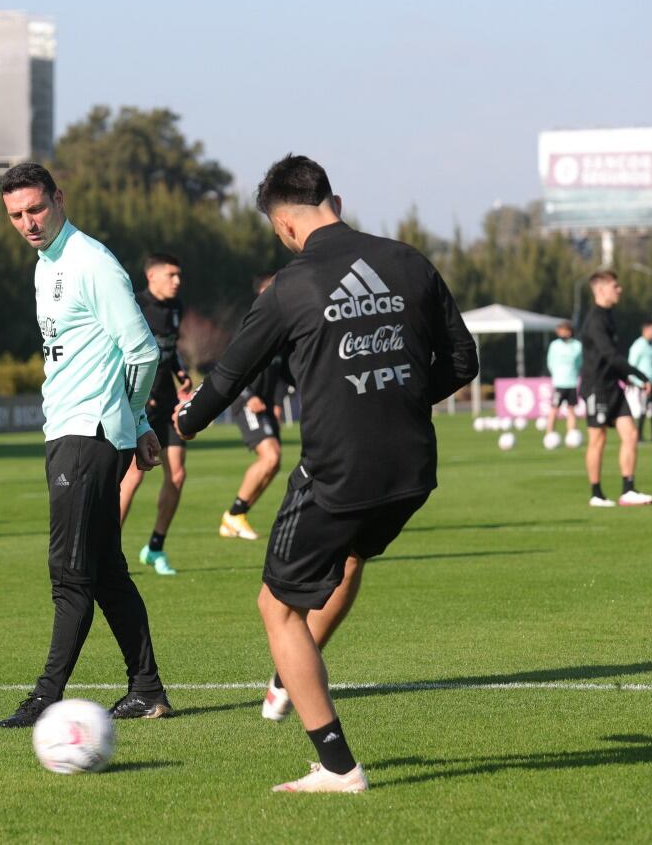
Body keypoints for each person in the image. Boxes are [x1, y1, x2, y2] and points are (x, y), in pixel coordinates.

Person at [174, 155, 478, 792]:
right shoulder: (408, 261)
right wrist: (402, 399)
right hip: (413, 471)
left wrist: (182, 424)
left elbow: (227, 377)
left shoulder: (290, 286)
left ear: (284, 226)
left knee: (276, 606)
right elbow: (462, 359)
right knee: (349, 558)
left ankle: (338, 767)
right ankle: (292, 675)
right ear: (333, 202)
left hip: (339, 473)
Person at [0, 162, 172, 728]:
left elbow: (142, 350)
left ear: (59, 199)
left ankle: (46, 697)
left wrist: (134, 418)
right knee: (105, 570)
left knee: (69, 574)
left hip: (88, 433)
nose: (28, 222)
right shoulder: (45, 266)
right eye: (16, 215)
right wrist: (137, 425)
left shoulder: (91, 262)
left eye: (35, 209)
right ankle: (147, 690)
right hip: (68, 429)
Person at [118, 252, 192, 576]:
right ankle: (107, 552)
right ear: (152, 276)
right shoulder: (134, 306)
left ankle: (155, 548)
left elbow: (169, 349)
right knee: (132, 478)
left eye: (179, 275)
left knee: (177, 475)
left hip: (167, 403)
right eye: (171, 275)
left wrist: (181, 372)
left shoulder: (176, 307)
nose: (177, 281)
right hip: (139, 406)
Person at [219, 273, 294, 542]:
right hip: (247, 401)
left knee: (274, 463)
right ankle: (234, 515)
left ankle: (236, 516)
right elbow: (231, 364)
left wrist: (277, 402)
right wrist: (247, 395)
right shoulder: (250, 323)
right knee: (270, 457)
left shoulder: (283, 326)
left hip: (266, 405)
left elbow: (282, 372)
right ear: (263, 292)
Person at [579, 272, 652, 507]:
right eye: (615, 286)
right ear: (601, 290)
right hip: (597, 387)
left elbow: (610, 359)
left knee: (631, 434)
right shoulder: (595, 320)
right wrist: (639, 375)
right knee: (597, 439)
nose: (619, 289)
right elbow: (609, 355)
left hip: (613, 385)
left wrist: (626, 378)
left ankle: (628, 490)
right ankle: (596, 494)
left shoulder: (609, 316)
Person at [543, 321, 582, 440]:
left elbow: (580, 363)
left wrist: (574, 373)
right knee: (554, 408)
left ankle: (572, 435)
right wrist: (557, 375)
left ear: (569, 331)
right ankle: (549, 433)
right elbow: (550, 362)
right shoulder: (554, 345)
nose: (560, 333)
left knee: (571, 410)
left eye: (562, 330)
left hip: (572, 382)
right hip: (559, 383)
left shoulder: (577, 345)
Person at [628, 321, 652, 443]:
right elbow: (631, 365)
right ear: (645, 330)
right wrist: (637, 382)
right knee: (643, 409)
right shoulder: (638, 346)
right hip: (643, 384)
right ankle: (639, 435)